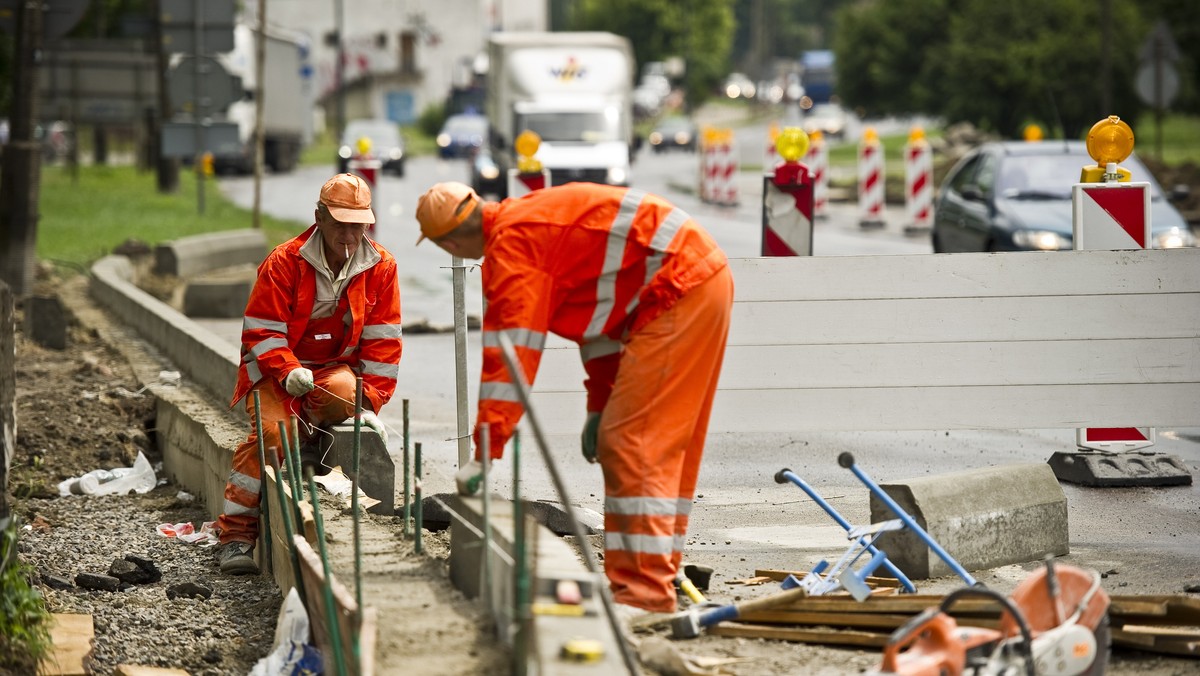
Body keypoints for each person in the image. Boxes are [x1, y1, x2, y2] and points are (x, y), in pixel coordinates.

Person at [415, 181, 733, 615]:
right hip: (690, 282)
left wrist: (484, 453)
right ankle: (650, 576)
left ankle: (643, 592)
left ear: (449, 242)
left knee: (632, 444)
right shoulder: (525, 222)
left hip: (677, 289)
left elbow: (509, 362)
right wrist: (599, 406)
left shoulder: (513, 250)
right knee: (647, 443)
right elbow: (601, 326)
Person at [217, 173, 403, 575]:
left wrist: (368, 403)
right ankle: (235, 537)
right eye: (341, 224)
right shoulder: (285, 262)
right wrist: (287, 371)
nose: (350, 236)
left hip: (330, 373)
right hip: (275, 375)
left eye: (359, 225)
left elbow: (383, 345)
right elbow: (262, 331)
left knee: (344, 392)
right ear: (319, 217)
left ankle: (304, 440)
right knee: (270, 435)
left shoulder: (381, 267)